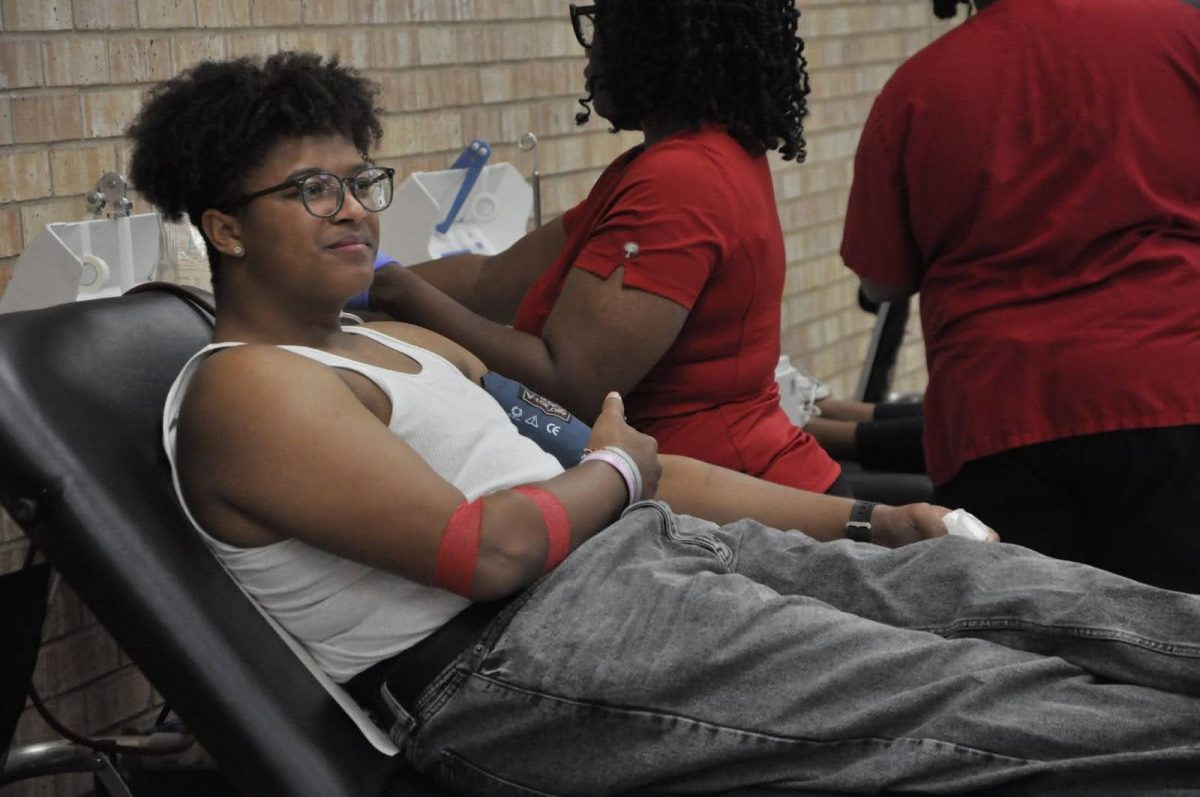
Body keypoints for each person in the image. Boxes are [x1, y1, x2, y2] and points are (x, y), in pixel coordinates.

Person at [132, 52, 1200, 794]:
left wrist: (875, 526)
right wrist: (615, 471)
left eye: (359, 179)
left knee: (992, 584)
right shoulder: (246, 386)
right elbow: (491, 548)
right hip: (514, 663)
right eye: (311, 189)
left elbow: (652, 474)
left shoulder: (403, 347)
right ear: (223, 224)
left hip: (648, 560)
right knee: (990, 699)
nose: (355, 208)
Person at [358, 0, 852, 496]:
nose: (591, 54)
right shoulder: (673, 162)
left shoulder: (679, 180)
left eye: (603, 26)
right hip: (719, 486)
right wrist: (356, 282)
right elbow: (491, 279)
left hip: (729, 503)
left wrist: (401, 294)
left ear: (659, 39)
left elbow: (570, 383)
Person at [840, 0, 1200, 591]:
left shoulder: (919, 86)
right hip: (1174, 393)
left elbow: (885, 283)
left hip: (1001, 420)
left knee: (1029, 656)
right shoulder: (1181, 34)